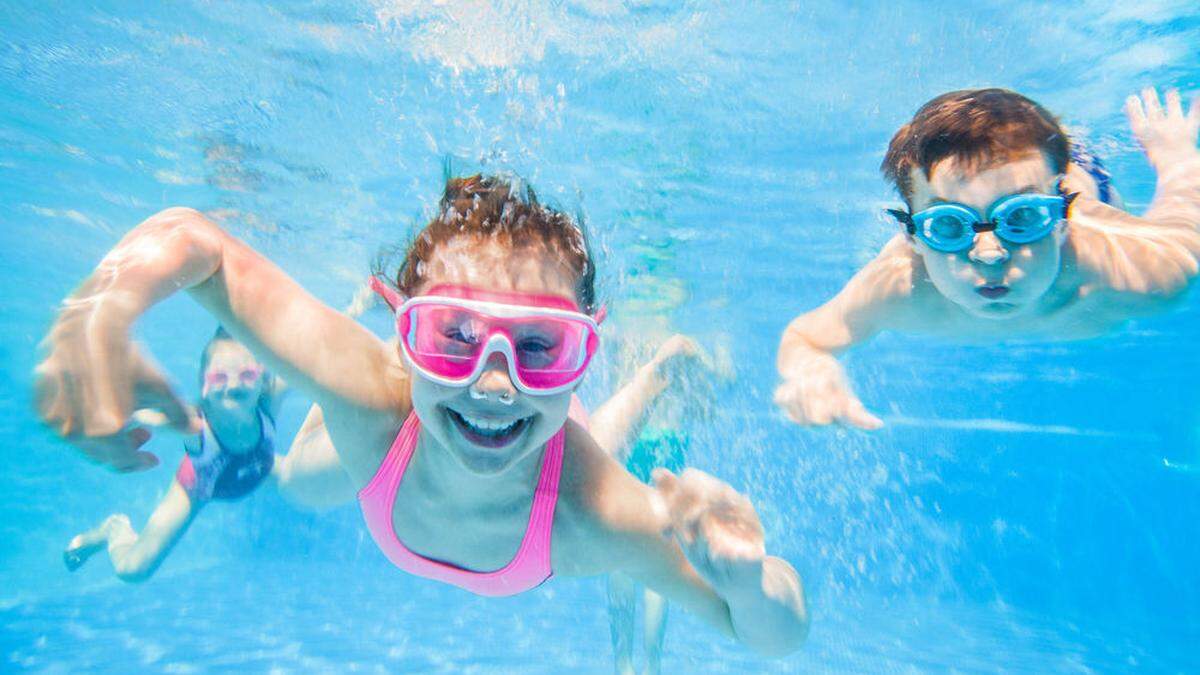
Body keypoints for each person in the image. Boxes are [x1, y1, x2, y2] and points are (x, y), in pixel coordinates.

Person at [35, 174, 808, 655]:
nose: (495, 383)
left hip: (545, 498)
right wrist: (95, 314)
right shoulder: (371, 394)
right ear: (406, 339)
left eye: (541, 345)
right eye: (453, 336)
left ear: (583, 350)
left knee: (584, 452)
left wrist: (748, 579)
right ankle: (426, 338)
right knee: (302, 475)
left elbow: (775, 634)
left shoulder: (599, 510)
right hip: (379, 453)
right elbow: (193, 242)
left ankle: (658, 366)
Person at [775, 87, 1200, 429]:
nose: (990, 254)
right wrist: (810, 371)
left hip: (1083, 176)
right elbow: (805, 339)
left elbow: (1185, 227)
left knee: (1052, 158)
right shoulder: (898, 287)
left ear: (1064, 217)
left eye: (1023, 217)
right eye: (948, 226)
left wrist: (1175, 157)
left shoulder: (1140, 273)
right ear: (914, 237)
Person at [62, 329, 283, 582]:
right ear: (203, 388)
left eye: (246, 374)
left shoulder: (269, 401)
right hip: (200, 484)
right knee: (132, 570)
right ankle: (115, 528)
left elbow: (316, 365)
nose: (233, 385)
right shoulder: (193, 424)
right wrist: (101, 421)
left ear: (264, 379)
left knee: (302, 478)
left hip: (260, 465)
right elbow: (144, 417)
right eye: (219, 377)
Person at [589, 334, 703, 675]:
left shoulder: (620, 337)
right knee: (659, 559)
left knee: (622, 559)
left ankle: (625, 665)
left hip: (634, 442)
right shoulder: (682, 341)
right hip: (669, 443)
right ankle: (649, 666)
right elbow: (707, 389)